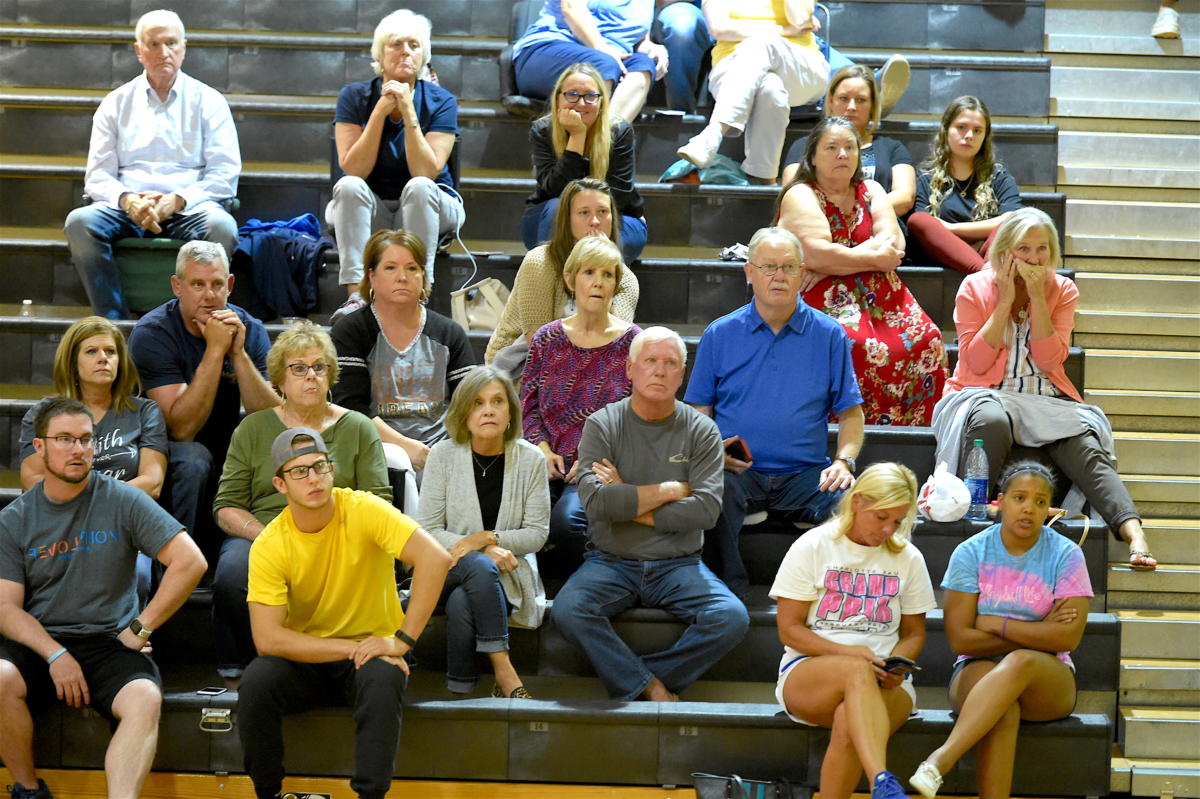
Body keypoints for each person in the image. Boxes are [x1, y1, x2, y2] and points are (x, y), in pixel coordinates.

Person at [0, 398, 207, 799]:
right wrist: (55, 655)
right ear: (39, 447)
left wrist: (140, 626)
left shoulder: (123, 498)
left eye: (85, 439)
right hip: (43, 642)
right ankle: (27, 789)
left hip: (110, 642)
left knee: (145, 698)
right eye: (64, 439)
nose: (78, 449)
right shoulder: (14, 519)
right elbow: (6, 608)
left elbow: (190, 562)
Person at [932, 207, 1157, 570]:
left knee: (1083, 439)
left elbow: (1051, 362)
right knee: (990, 419)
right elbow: (974, 363)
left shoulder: (1062, 289)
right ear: (1005, 250)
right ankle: (973, 524)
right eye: (1024, 249)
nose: (1034, 259)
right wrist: (1004, 302)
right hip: (983, 392)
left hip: (1044, 396)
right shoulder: (974, 286)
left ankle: (1133, 532)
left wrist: (1038, 298)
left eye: (1042, 250)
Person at [238, 427, 450, 799]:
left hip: (375, 651)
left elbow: (436, 558)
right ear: (280, 484)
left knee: (383, 678)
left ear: (332, 470)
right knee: (256, 680)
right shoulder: (270, 545)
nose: (313, 479)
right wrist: (349, 648)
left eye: (320, 467)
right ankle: (268, 793)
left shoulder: (363, 508)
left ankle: (370, 796)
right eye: (299, 472)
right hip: (309, 660)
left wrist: (401, 640)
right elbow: (268, 639)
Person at [551, 326, 749, 701]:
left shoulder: (702, 431)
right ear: (630, 369)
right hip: (610, 561)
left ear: (682, 374)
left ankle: (639, 682)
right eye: (650, 361)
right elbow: (595, 504)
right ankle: (653, 689)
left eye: (670, 363)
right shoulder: (603, 424)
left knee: (732, 618)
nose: (659, 371)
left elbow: (705, 511)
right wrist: (669, 491)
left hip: (679, 564)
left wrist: (626, 496)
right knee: (568, 610)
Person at [684, 226, 865, 598]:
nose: (779, 276)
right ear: (749, 273)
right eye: (768, 267)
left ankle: (828, 598)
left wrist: (844, 462)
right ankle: (725, 594)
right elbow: (698, 411)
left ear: (802, 273)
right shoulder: (720, 334)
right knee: (710, 490)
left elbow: (851, 414)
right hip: (739, 472)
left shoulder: (830, 335)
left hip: (807, 475)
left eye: (788, 267)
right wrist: (709, 452)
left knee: (851, 502)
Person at [211, 322, 391, 682]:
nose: (311, 376)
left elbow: (379, 500)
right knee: (232, 571)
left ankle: (344, 663)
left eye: (319, 367)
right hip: (264, 532)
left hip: (338, 532)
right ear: (279, 378)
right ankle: (243, 669)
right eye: (298, 368)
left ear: (330, 374)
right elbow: (226, 505)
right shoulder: (253, 428)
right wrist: (267, 537)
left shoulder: (358, 427)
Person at [907, 461, 1092, 799]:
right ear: (1001, 501)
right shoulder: (971, 552)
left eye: (1039, 501)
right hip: (975, 668)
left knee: (1020, 661)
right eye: (1020, 497)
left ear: (1049, 508)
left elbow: (1066, 637)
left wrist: (995, 623)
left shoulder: (1066, 555)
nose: (1029, 508)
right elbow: (960, 639)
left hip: (1047, 677)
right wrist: (1039, 630)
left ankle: (940, 760)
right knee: (1002, 705)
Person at [772, 462, 936, 799]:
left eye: (898, 521)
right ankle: (882, 780)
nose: (889, 529)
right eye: (882, 518)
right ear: (857, 501)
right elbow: (789, 631)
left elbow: (914, 634)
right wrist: (853, 654)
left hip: (884, 681)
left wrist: (897, 666)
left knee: (852, 717)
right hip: (810, 672)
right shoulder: (813, 545)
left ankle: (877, 787)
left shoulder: (909, 557)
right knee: (856, 670)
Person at [63, 9, 240, 321]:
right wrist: (129, 200)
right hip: (127, 207)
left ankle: (199, 321)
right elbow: (99, 175)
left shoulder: (209, 101)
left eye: (171, 43)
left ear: (184, 48)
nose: (164, 53)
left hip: (188, 206)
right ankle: (113, 322)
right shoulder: (115, 102)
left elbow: (224, 173)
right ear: (138, 51)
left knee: (222, 227)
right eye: (154, 44)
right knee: (80, 223)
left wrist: (177, 200)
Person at [777, 116, 947, 425]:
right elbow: (815, 252)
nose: (842, 154)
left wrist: (835, 261)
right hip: (824, 298)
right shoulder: (800, 193)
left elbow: (893, 247)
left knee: (929, 339)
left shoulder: (870, 189)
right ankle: (850, 435)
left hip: (885, 298)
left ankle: (911, 438)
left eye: (849, 147)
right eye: (831, 147)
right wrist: (866, 256)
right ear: (813, 157)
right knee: (853, 343)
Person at [128, 240, 279, 549]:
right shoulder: (153, 333)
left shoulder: (249, 328)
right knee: (194, 459)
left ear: (230, 285)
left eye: (216, 284)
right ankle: (177, 561)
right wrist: (214, 350)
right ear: (177, 286)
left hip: (228, 446)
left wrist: (238, 355)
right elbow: (182, 429)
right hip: (167, 452)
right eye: (197, 284)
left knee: (261, 452)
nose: (209, 295)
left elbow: (272, 421)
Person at [418, 366, 549, 697]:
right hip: (445, 567)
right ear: (464, 413)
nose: (488, 410)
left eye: (497, 402)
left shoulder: (530, 460)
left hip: (507, 575)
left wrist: (489, 538)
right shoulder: (442, 456)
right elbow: (428, 529)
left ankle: (461, 692)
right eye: (477, 403)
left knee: (464, 602)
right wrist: (481, 549)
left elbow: (537, 533)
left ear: (510, 413)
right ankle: (505, 673)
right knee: (478, 564)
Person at [327, 9, 465, 320]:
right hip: (372, 207)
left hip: (432, 203)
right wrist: (379, 113)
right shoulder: (353, 96)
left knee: (418, 187)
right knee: (348, 186)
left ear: (424, 54)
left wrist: (408, 111)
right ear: (380, 53)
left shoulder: (442, 101)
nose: (405, 51)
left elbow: (426, 172)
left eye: (414, 45)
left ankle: (420, 294)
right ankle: (356, 297)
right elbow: (354, 169)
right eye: (396, 44)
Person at [521, 236, 641, 575]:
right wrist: (541, 449)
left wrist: (590, 460)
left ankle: (604, 581)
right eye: (589, 272)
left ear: (616, 284)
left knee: (565, 523)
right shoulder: (547, 338)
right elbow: (528, 407)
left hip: (601, 465)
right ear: (571, 279)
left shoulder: (632, 341)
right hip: (545, 462)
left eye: (607, 274)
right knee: (522, 518)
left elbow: (636, 417)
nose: (598, 282)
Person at [331, 229, 475, 478]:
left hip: (443, 451)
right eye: (390, 268)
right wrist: (406, 447)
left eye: (411, 268)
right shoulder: (351, 330)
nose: (402, 277)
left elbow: (469, 402)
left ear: (423, 276)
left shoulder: (449, 333)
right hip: (373, 448)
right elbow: (350, 409)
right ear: (372, 276)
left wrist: (445, 452)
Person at [486, 178, 640, 366]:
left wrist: (604, 260)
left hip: (592, 370)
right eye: (584, 213)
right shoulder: (540, 261)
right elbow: (538, 344)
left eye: (603, 212)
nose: (595, 221)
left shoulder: (626, 280)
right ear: (567, 219)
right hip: (521, 367)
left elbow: (616, 343)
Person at [676, 0, 828, 184]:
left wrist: (759, 33)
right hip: (733, 66)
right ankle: (763, 179)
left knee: (760, 44)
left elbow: (800, 19)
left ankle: (714, 132)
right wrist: (782, 31)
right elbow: (720, 29)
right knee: (770, 88)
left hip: (799, 67)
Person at [19, 317, 166, 499]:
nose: (103, 358)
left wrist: (97, 502)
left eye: (110, 351)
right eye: (91, 351)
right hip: (62, 516)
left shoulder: (145, 412)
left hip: (123, 516)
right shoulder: (42, 414)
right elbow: (33, 480)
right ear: (73, 364)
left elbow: (152, 483)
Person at [522, 63, 649, 263]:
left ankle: (589, 290)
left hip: (615, 216)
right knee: (556, 210)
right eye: (572, 95)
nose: (581, 104)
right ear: (557, 99)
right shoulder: (543, 130)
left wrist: (591, 219)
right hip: (552, 216)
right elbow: (554, 190)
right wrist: (577, 137)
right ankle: (555, 289)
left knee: (605, 242)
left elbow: (619, 194)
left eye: (590, 96)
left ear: (601, 102)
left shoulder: (619, 131)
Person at [782, 65, 917, 218]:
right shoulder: (805, 145)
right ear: (831, 101)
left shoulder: (892, 148)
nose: (852, 107)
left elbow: (905, 198)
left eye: (861, 100)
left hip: (880, 231)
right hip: (820, 228)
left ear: (872, 105)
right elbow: (792, 193)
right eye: (844, 99)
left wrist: (854, 214)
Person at [908, 96, 1023, 275]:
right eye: (961, 127)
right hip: (942, 256)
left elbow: (1012, 218)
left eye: (977, 130)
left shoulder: (998, 176)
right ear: (946, 130)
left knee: (1011, 224)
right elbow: (923, 226)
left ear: (985, 136)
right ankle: (982, 275)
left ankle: (981, 272)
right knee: (918, 221)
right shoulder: (925, 176)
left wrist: (950, 228)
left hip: (987, 253)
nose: (969, 136)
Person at [512, 0, 668, 123]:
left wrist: (652, 48)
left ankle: (605, 146)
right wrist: (602, 47)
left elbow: (637, 38)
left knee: (643, 67)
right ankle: (579, 152)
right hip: (550, 48)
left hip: (611, 58)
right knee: (603, 65)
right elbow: (571, 9)